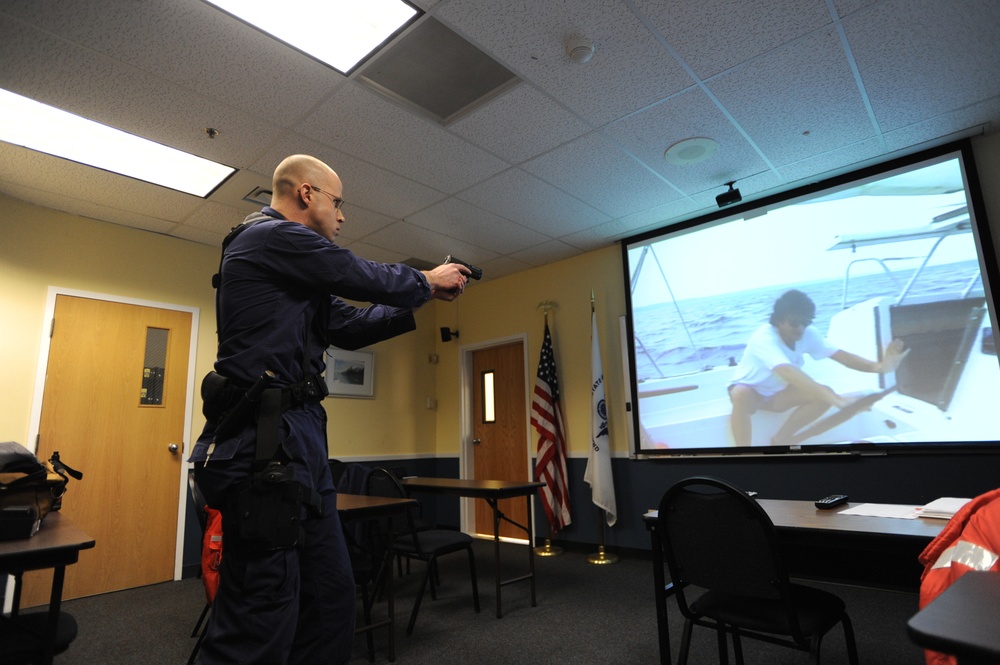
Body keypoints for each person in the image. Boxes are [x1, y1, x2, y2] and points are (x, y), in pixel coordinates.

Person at [188, 154, 470, 665]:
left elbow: (352, 325)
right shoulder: (272, 237)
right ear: (306, 194)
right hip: (263, 446)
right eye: (337, 203)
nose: (341, 216)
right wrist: (427, 280)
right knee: (261, 613)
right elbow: (356, 273)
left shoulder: (297, 272)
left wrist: (420, 298)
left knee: (330, 595)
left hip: (299, 439)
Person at [728, 289, 906, 446]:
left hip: (777, 396)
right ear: (779, 320)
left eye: (806, 323)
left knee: (823, 395)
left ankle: (780, 441)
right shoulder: (763, 337)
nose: (800, 329)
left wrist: (879, 366)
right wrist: (837, 401)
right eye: (794, 323)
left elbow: (840, 355)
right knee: (741, 393)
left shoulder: (808, 333)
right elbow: (787, 371)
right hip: (752, 395)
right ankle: (744, 453)